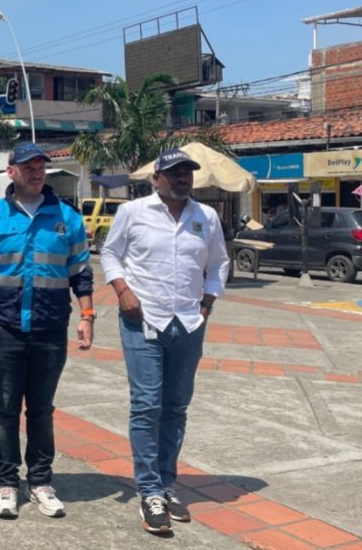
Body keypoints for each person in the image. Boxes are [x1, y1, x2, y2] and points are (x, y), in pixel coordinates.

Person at [100, 148, 229, 535]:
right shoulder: (132, 212)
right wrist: (122, 290)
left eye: (187, 172)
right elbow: (110, 253)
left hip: (188, 323)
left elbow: (219, 262)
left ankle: (167, 482)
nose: (182, 179)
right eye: (173, 173)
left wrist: (207, 303)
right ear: (156, 178)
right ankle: (150, 490)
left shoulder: (206, 217)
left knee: (175, 407)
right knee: (146, 405)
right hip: (142, 320)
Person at [0, 142, 94, 520]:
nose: (36, 173)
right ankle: (7, 482)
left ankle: (40, 482)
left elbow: (81, 273)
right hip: (4, 328)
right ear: (11, 172)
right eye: (28, 167)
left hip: (50, 329)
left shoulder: (67, 218)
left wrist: (87, 317)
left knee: (41, 409)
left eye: (41, 167)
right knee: (5, 407)